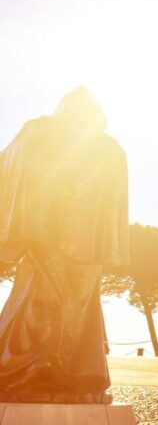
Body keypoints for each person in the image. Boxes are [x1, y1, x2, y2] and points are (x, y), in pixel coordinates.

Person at [0, 88, 129, 403]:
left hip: (53, 238)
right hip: (71, 244)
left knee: (52, 303)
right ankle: (58, 372)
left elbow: (12, 167)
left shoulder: (43, 132)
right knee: (59, 304)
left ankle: (37, 369)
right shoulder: (109, 149)